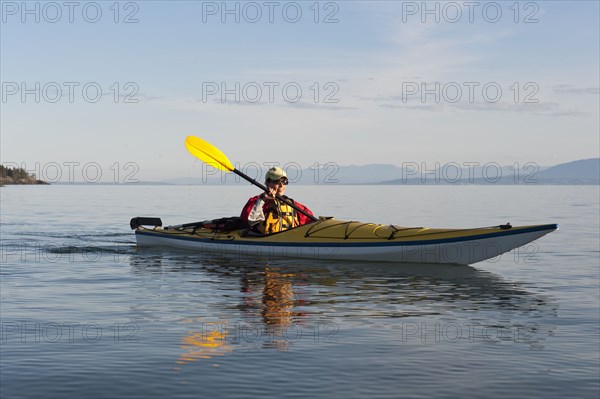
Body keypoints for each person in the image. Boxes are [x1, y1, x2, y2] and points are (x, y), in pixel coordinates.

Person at [241, 166, 315, 234]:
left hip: (289, 239)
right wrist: (263, 199)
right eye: (277, 182)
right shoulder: (257, 201)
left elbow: (310, 220)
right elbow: (248, 219)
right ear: (267, 183)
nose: (281, 185)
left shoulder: (292, 204)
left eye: (284, 182)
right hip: (266, 239)